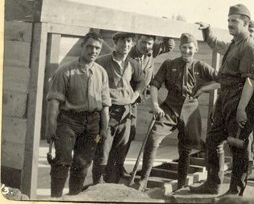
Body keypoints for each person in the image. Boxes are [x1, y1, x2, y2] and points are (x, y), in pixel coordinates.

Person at [189, 4, 254, 196]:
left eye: (234, 21)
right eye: (228, 21)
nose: (229, 24)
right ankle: (212, 184)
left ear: (246, 23)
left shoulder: (249, 47)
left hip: (240, 99)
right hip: (226, 98)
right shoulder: (234, 43)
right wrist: (207, 30)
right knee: (213, 140)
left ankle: (235, 192)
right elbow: (215, 46)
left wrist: (241, 109)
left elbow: (250, 81)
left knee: (238, 146)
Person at [138, 33, 219, 191]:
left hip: (191, 108)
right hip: (169, 106)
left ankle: (181, 184)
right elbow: (155, 85)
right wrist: (155, 105)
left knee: (187, 146)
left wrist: (204, 88)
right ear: (180, 48)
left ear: (195, 49)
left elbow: (222, 80)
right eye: (183, 48)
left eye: (190, 48)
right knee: (153, 137)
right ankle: (143, 181)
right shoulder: (169, 64)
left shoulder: (201, 66)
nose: (187, 51)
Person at [46, 31, 111, 197]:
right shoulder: (64, 71)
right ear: (82, 46)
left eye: (97, 48)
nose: (93, 51)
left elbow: (105, 105)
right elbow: (54, 102)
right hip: (68, 123)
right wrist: (51, 127)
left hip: (92, 126)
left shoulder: (102, 72)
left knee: (82, 164)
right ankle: (55, 198)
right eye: (89, 46)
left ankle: (74, 197)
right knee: (62, 162)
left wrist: (104, 128)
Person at [91, 32, 146, 184]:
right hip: (107, 112)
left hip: (126, 113)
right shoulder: (101, 62)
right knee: (103, 149)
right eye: (122, 41)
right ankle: (97, 185)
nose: (126, 45)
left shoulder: (133, 63)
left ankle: (112, 184)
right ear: (115, 43)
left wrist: (134, 96)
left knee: (120, 151)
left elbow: (141, 82)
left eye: (129, 42)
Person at [120, 34, 175, 177]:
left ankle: (118, 166)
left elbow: (169, 45)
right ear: (136, 41)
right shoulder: (128, 56)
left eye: (149, 43)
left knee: (130, 134)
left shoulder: (151, 50)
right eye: (143, 42)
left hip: (135, 100)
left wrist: (162, 29)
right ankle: (114, 167)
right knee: (123, 135)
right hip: (125, 98)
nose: (146, 46)